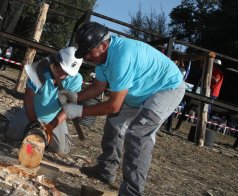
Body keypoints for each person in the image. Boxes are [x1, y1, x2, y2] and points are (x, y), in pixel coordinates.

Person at [59, 22, 185, 195]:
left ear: (103, 45)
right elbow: (98, 87)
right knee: (114, 122)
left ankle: (131, 193)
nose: (87, 56)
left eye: (89, 52)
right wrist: (75, 97)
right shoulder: (102, 57)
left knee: (138, 134)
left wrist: (80, 111)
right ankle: (106, 169)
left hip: (166, 88)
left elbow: (113, 105)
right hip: (140, 89)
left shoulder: (122, 57)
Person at [5, 47, 83, 154]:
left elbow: (68, 108)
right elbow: (29, 96)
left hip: (54, 118)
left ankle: (41, 138)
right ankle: (24, 127)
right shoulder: (39, 69)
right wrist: (34, 122)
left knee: (61, 149)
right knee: (12, 134)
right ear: (56, 60)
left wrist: (51, 126)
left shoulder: (76, 79)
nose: (62, 74)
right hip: (31, 113)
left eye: (66, 72)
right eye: (60, 68)